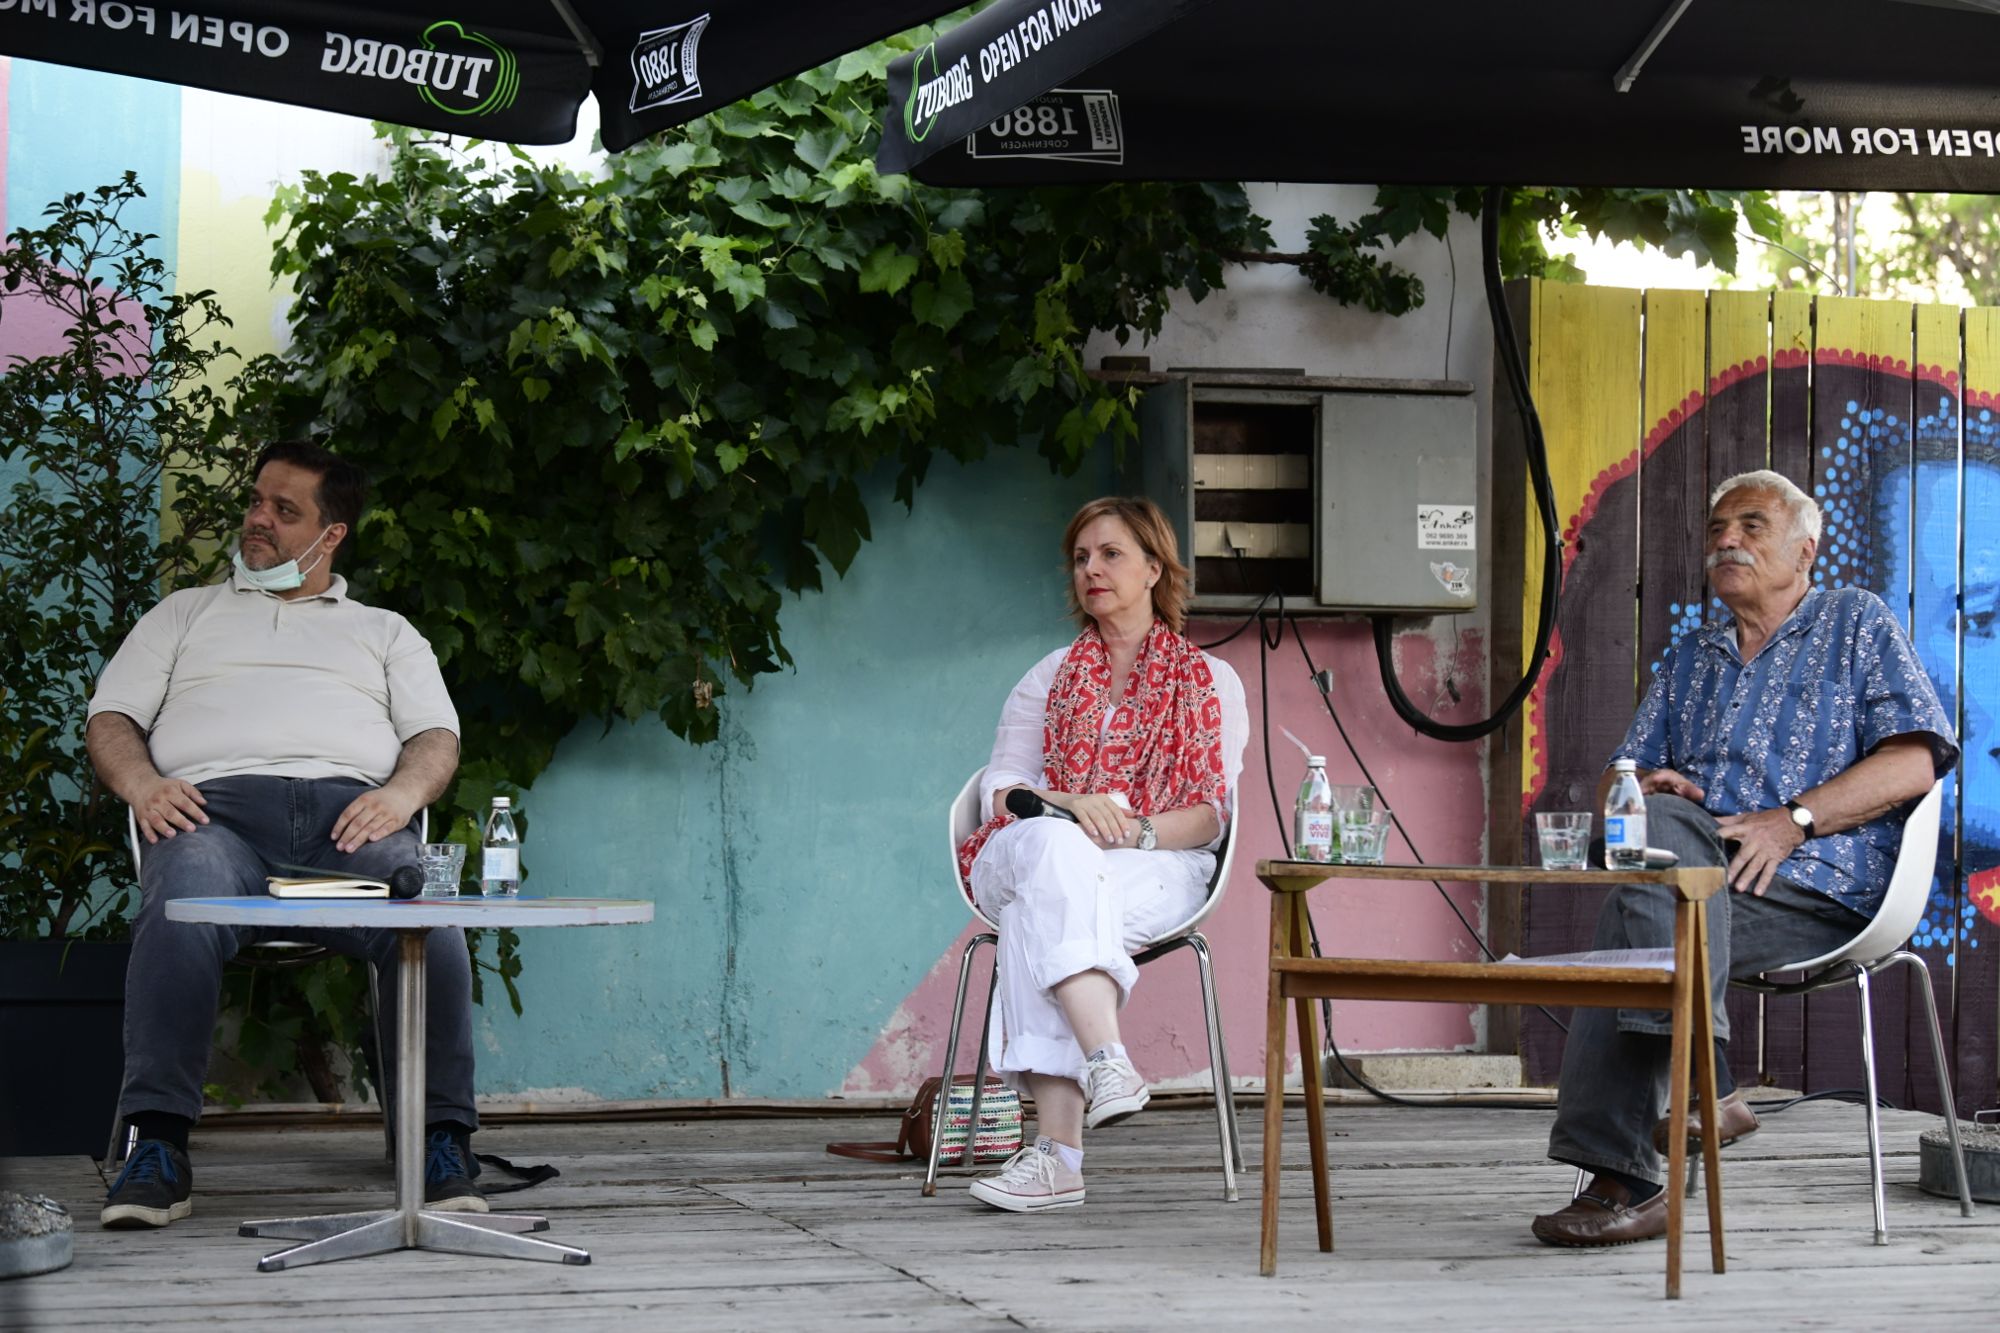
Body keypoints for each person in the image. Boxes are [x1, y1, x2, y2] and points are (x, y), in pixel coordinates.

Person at [1531, 469, 1958, 1246]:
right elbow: (1614, 782)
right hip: (1701, 880)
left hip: (1816, 888)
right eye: (1718, 528)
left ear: (1807, 549)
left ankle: (1628, 1172)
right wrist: (1634, 787)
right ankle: (1711, 1088)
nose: (1726, 539)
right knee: (1656, 858)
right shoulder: (1692, 655)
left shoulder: (1853, 622)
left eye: (1752, 525)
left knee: (1636, 924)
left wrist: (1792, 820)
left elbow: (1917, 761)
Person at [86, 440, 480, 1229]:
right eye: (257, 500)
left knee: (431, 917)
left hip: (351, 822)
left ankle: (440, 1139)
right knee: (179, 906)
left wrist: (401, 793)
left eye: (285, 509)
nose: (257, 518)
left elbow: (437, 735)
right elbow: (112, 716)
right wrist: (142, 783)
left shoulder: (384, 631)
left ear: (330, 535)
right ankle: (155, 1145)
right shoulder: (185, 613)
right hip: (213, 816)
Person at [956, 496, 1247, 1212]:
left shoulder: (1209, 681)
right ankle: (1107, 1060)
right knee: (1055, 855)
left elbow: (1210, 815)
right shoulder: (1051, 673)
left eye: (1110, 554)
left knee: (1043, 915)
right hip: (1022, 846)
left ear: (1154, 567)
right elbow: (1003, 789)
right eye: (1081, 557)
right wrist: (1066, 807)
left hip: (1155, 859)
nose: (1091, 568)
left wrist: (1131, 827)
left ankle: (1057, 1158)